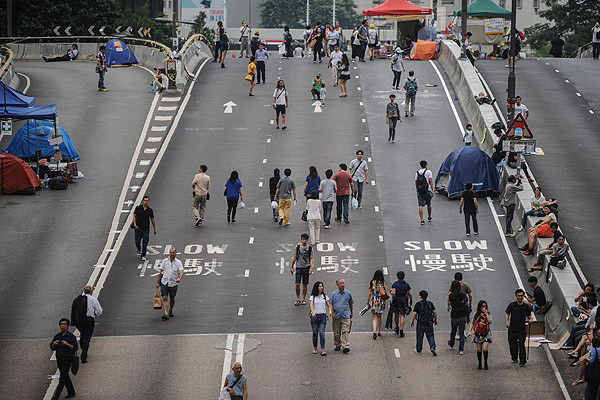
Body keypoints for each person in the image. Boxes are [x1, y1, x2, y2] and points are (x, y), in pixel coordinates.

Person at [50, 318, 78, 400]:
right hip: (59, 358)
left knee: (62, 377)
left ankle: (56, 395)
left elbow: (75, 348)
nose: (62, 326)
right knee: (65, 375)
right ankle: (71, 391)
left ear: (68, 326)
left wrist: (67, 344)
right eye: (61, 324)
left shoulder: (71, 337)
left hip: (68, 358)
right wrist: (54, 344)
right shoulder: (57, 336)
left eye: (64, 324)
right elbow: (52, 347)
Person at [505, 288, 532, 367]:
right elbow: (507, 313)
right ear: (516, 296)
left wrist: (530, 319)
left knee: (521, 344)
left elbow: (529, 316)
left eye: (521, 296)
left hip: (521, 329)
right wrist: (507, 322)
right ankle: (514, 357)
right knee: (512, 344)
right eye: (518, 296)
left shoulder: (525, 306)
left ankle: (522, 361)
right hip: (512, 329)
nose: (520, 297)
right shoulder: (512, 305)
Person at [156, 247, 184, 320]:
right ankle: (166, 313)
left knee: (172, 298)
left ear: (175, 253)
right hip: (164, 282)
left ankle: (170, 310)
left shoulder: (178, 262)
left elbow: (181, 271)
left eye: (173, 253)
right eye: (170, 253)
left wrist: (179, 278)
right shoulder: (165, 261)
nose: (172, 254)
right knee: (164, 297)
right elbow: (161, 271)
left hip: (173, 283)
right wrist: (158, 281)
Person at [78, 285, 102, 363]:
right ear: (91, 291)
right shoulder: (93, 299)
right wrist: (95, 312)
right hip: (89, 320)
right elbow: (99, 311)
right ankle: (84, 355)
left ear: (84, 291)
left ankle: (82, 345)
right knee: (87, 337)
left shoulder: (79, 299)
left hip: (80, 320)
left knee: (83, 334)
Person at [330, 278, 354, 353]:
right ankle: (337, 344)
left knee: (345, 331)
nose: (342, 284)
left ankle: (345, 346)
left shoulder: (348, 293)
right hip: (336, 316)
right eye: (340, 283)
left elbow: (351, 303)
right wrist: (332, 312)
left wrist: (351, 313)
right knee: (336, 333)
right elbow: (330, 304)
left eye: (343, 283)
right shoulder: (334, 294)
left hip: (345, 315)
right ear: (337, 285)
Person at [411, 290, 438, 356]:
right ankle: (432, 347)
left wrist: (412, 321)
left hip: (420, 323)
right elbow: (434, 312)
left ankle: (419, 350)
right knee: (430, 335)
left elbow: (414, 313)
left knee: (419, 336)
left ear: (420, 296)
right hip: (429, 322)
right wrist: (435, 319)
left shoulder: (418, 304)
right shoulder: (430, 303)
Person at [290, 233, 314, 305]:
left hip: (306, 267)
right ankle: (298, 298)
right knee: (297, 284)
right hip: (299, 267)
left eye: (305, 239)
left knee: (305, 284)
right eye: (303, 239)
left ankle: (303, 298)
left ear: (307, 240)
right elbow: (295, 257)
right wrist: (292, 266)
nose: (304, 241)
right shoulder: (297, 247)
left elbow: (312, 258)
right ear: (301, 239)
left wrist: (311, 268)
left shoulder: (309, 248)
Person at [468, 300, 492, 370]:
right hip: (478, 334)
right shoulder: (476, 314)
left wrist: (486, 314)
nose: (483, 308)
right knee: (479, 350)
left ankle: (486, 363)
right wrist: (469, 331)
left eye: (485, 306)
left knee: (485, 349)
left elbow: (490, 322)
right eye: (482, 306)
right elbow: (472, 323)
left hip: (486, 334)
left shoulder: (488, 314)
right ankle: (479, 363)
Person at [447, 280, 469, 355]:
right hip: (462, 315)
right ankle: (461, 349)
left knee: (453, 330)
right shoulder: (463, 295)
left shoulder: (451, 295)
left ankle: (452, 344)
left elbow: (450, 304)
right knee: (462, 332)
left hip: (454, 315)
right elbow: (466, 302)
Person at [309, 281, 331, 355]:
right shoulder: (313, 297)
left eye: (322, 286)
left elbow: (329, 305)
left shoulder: (324, 296)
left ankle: (322, 349)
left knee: (322, 333)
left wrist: (330, 311)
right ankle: (315, 347)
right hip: (314, 317)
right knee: (315, 333)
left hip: (322, 317)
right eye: (319, 286)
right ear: (316, 287)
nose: (321, 288)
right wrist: (313, 311)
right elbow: (311, 305)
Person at [133, 195, 156, 261]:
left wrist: (154, 228)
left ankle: (143, 255)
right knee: (137, 241)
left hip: (146, 229)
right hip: (138, 228)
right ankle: (138, 248)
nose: (146, 202)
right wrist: (135, 224)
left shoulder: (150, 210)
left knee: (145, 242)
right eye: (145, 200)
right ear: (142, 201)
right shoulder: (138, 208)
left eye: (147, 201)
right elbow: (134, 216)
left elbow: (152, 219)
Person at [390, 271, 412, 337]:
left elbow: (393, 293)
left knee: (396, 314)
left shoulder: (395, 284)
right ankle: (401, 330)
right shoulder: (406, 285)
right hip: (404, 300)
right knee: (402, 315)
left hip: (396, 299)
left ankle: (397, 327)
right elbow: (410, 294)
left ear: (397, 277)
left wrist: (390, 291)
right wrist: (411, 301)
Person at [369, 269, 387, 340]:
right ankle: (379, 331)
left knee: (374, 316)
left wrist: (368, 301)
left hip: (373, 299)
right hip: (380, 300)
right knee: (379, 316)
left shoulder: (371, 282)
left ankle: (374, 330)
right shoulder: (382, 283)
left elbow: (369, 292)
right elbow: (386, 290)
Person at [415, 160, 434, 225]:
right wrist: (432, 190)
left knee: (420, 205)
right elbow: (430, 181)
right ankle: (429, 216)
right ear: (426, 165)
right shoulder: (428, 172)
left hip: (420, 191)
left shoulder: (417, 173)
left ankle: (422, 220)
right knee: (428, 204)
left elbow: (416, 182)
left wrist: (417, 189)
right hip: (427, 190)